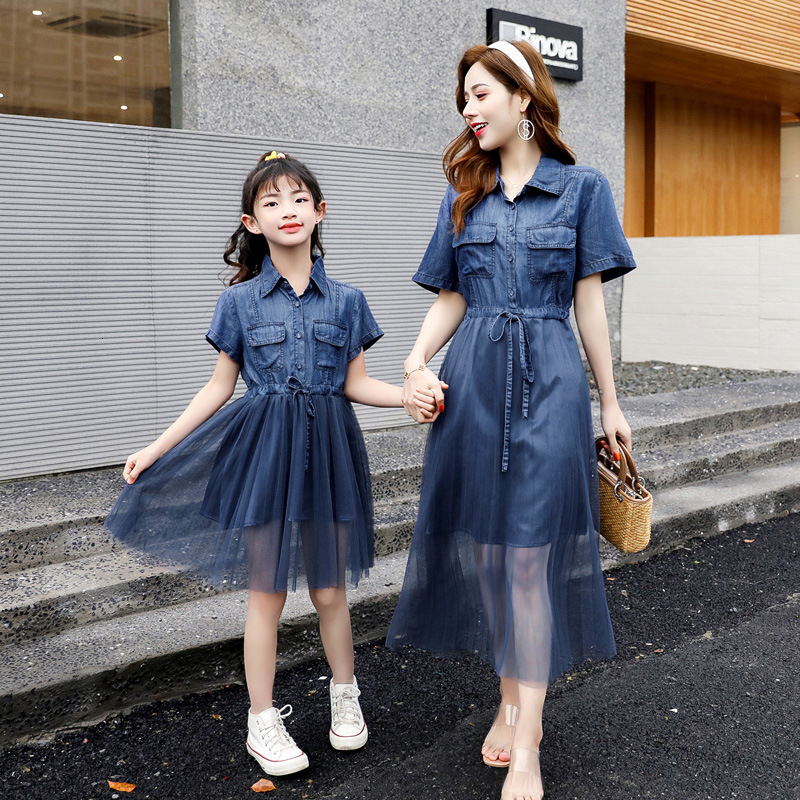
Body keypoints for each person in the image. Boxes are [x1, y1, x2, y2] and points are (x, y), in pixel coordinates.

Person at [105, 152, 439, 778]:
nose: (287, 209)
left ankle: (346, 696)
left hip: (331, 454)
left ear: (319, 212)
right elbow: (217, 388)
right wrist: (155, 448)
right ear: (252, 221)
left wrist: (411, 398)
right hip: (263, 457)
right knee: (267, 594)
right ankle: (262, 720)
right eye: (271, 201)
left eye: (297, 198)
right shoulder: (238, 303)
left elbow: (356, 384)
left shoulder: (347, 301)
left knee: (330, 590)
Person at [386, 41, 637, 800]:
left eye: (482, 94)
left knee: (529, 559)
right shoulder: (464, 193)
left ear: (524, 100)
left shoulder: (582, 189)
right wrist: (414, 359)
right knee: (491, 559)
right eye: (464, 97)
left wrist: (611, 400)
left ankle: (528, 739)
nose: (469, 109)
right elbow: (452, 296)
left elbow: (589, 304)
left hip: (552, 384)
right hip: (472, 386)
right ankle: (511, 693)